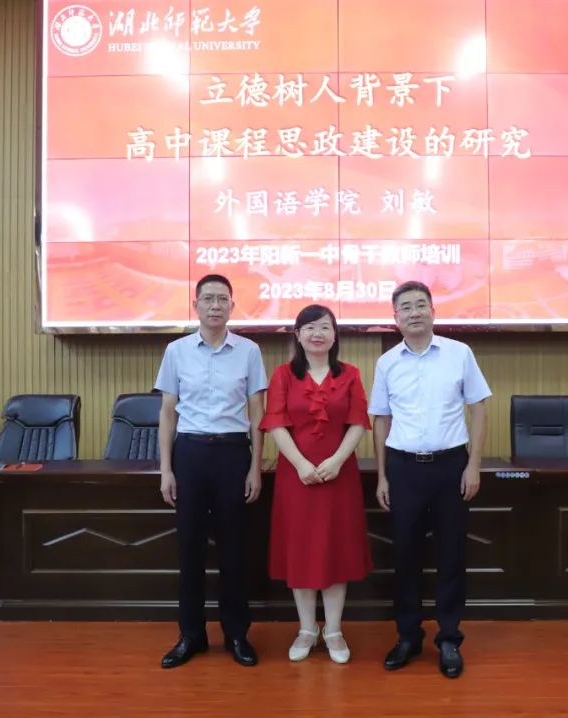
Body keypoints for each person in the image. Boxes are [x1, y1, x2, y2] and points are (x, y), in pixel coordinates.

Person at [368, 280, 491, 679]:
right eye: (406, 307)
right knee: (405, 556)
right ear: (396, 318)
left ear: (433, 311)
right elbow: (381, 420)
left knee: (451, 555)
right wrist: (382, 476)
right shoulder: (387, 363)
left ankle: (450, 638)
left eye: (421, 305)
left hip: (450, 466)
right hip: (404, 469)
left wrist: (473, 465)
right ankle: (408, 636)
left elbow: (479, 408)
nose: (414, 312)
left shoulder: (459, 353)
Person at [156, 274, 267, 669]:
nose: (215, 305)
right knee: (190, 549)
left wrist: (255, 467)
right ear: (196, 306)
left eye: (222, 299)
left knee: (234, 551)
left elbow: (258, 414)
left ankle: (236, 634)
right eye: (208, 299)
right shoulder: (177, 351)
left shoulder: (249, 351)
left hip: (233, 453)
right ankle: (191, 634)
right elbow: (167, 413)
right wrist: (166, 469)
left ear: (232, 306)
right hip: (189, 453)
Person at [260, 304, 372, 664]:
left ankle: (334, 630)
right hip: (297, 477)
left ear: (335, 335)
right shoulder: (283, 375)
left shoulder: (350, 374)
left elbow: (358, 422)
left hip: (340, 476)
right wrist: (301, 464)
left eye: (324, 327)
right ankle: (307, 628)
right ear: (297, 335)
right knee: (301, 550)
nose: (317, 334)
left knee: (336, 548)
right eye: (309, 328)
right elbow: (276, 423)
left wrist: (337, 461)